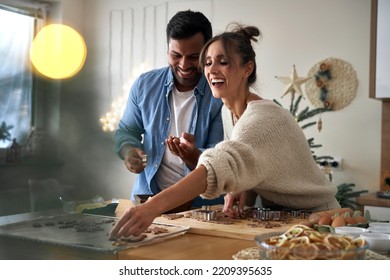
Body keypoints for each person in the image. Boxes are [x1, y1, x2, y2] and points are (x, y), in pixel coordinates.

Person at [111, 23, 340, 238]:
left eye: (223, 62)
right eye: (208, 63)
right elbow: (251, 164)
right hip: (283, 218)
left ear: (247, 68)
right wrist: (240, 186)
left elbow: (216, 165)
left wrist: (153, 207)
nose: (212, 70)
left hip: (320, 219)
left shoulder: (263, 118)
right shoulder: (228, 113)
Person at [115, 10, 224, 209]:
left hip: (201, 208)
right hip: (148, 202)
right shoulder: (144, 85)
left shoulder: (220, 94)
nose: (183, 64)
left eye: (193, 57)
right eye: (176, 55)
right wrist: (129, 150)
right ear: (167, 52)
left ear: (207, 53)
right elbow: (126, 131)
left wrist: (192, 156)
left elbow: (221, 165)